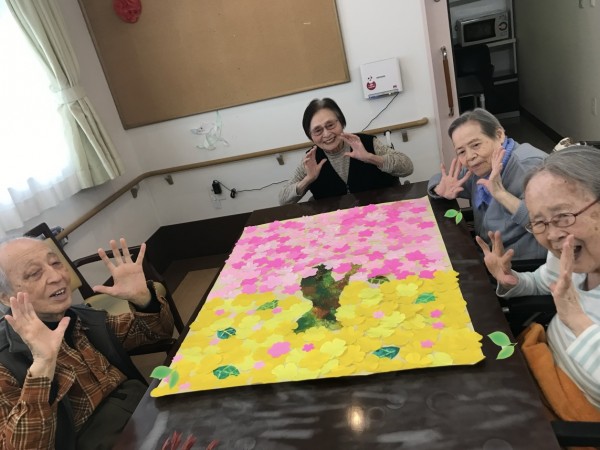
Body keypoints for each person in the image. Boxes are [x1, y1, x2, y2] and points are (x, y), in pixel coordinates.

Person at [0, 237, 175, 450]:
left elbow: (157, 333)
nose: (57, 276)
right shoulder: (5, 361)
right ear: (6, 298)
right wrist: (42, 367)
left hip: (144, 408)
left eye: (55, 263)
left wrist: (143, 300)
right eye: (35, 273)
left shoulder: (80, 317)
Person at [477, 146, 600, 420]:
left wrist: (577, 321)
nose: (553, 234)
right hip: (540, 363)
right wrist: (512, 280)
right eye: (539, 222)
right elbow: (543, 283)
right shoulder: (572, 252)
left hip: (573, 415)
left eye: (563, 216)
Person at [428, 108, 548, 261]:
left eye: (476, 145)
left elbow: (546, 223)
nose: (470, 156)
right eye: (461, 152)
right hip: (487, 250)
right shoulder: (481, 167)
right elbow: (441, 179)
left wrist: (501, 194)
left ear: (499, 135)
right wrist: (439, 188)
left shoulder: (530, 167)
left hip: (519, 262)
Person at [278, 98, 414, 205]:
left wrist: (370, 158)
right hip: (338, 224)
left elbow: (407, 167)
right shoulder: (311, 159)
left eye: (330, 125)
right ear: (310, 136)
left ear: (341, 123)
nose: (327, 134)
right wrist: (308, 179)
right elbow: (283, 200)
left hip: (381, 214)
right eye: (318, 130)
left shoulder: (365, 143)